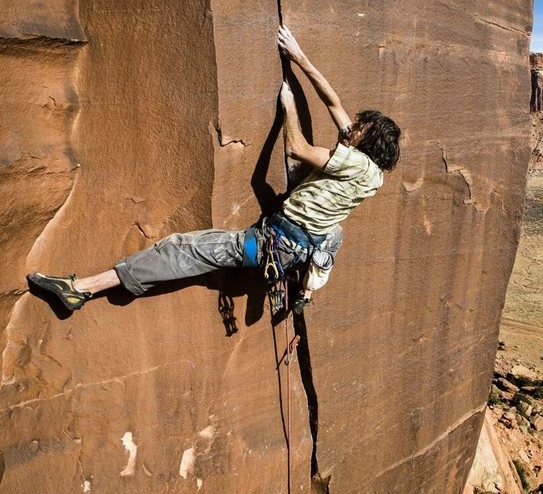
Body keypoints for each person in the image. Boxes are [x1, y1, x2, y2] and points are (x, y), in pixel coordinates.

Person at [27, 26, 400, 314]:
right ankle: (307, 286)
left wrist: (286, 108)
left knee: (179, 249)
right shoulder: (373, 173)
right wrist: (299, 57)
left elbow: (297, 148)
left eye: (359, 128)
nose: (350, 127)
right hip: (296, 247)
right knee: (333, 231)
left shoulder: (352, 159)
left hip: (269, 244)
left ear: (366, 141)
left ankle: (81, 290)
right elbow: (332, 100)